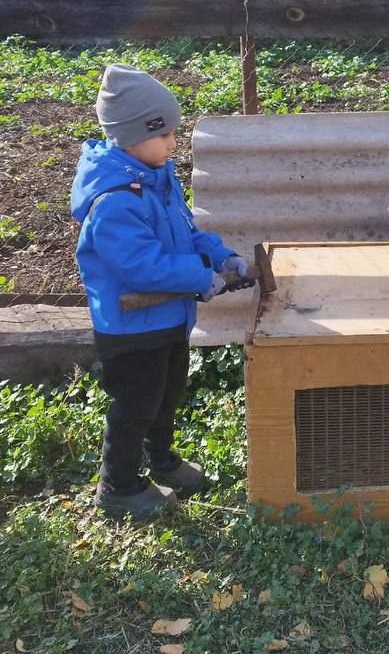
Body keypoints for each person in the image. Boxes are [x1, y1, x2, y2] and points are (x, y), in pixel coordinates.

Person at [71, 63, 249, 521]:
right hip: (131, 328)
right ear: (132, 136)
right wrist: (199, 276)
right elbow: (142, 267)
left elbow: (186, 233)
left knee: (166, 394)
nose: (173, 143)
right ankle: (119, 487)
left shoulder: (156, 177)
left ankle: (161, 459)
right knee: (135, 406)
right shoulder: (115, 201)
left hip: (167, 319)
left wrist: (220, 257)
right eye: (164, 133)